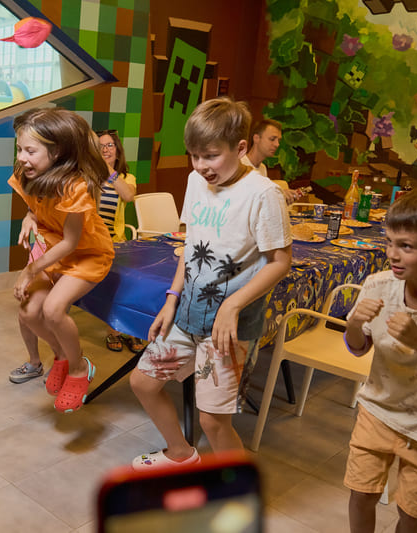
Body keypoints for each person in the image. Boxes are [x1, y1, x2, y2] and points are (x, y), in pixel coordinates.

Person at [129, 97, 292, 470]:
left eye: (211, 156)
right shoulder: (196, 180)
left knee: (213, 421)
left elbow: (281, 262)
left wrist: (232, 305)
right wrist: (171, 299)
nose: (201, 165)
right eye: (194, 156)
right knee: (143, 382)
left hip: (229, 328)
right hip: (186, 314)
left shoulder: (264, 193)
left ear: (241, 147)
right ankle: (180, 453)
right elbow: (191, 244)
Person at [6, 108, 114, 413]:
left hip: (87, 255)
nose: (22, 157)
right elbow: (36, 206)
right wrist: (29, 217)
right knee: (29, 312)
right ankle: (62, 356)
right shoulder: (27, 174)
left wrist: (29, 271)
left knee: (53, 310)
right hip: (52, 252)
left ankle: (79, 368)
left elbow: (71, 241)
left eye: (30, 151)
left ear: (56, 153)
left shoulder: (74, 187)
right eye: (19, 149)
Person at [343, 189, 417, 533]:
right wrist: (354, 324)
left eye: (406, 246)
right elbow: (358, 347)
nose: (392, 254)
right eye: (389, 242)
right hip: (377, 409)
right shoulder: (378, 285)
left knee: (413, 515)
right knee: (361, 494)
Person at [95, 129, 145, 354]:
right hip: (93, 242)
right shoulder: (89, 175)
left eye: (110, 145)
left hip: (117, 241)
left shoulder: (126, 177)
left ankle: (132, 329)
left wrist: (108, 170)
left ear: (117, 150)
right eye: (101, 146)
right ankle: (114, 331)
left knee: (130, 283)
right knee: (111, 286)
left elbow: (128, 196)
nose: (105, 149)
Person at [241, 119, 303, 204]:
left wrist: (280, 197)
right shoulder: (240, 166)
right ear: (256, 138)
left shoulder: (262, 168)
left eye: (278, 140)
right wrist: (277, 195)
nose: (277, 144)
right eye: (272, 139)